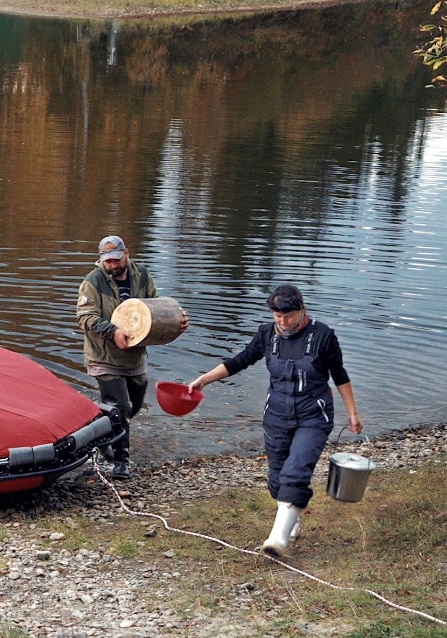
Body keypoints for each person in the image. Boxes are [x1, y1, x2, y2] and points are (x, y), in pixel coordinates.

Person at [188, 285, 363, 557]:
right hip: (277, 415)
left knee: (296, 472)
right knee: (277, 481)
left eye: (288, 316)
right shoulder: (267, 335)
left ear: (302, 310)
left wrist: (352, 413)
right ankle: (291, 515)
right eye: (277, 316)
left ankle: (276, 541)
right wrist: (203, 380)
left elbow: (339, 375)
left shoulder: (323, 336)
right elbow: (240, 361)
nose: (282, 322)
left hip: (313, 415)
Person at [75, 234, 184, 478]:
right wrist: (113, 332)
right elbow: (85, 317)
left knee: (133, 405)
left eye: (115, 259)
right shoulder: (92, 281)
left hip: (134, 358)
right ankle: (121, 461)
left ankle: (102, 433)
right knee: (121, 407)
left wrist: (175, 321)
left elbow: (155, 307)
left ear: (126, 253)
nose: (112, 265)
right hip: (102, 357)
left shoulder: (142, 275)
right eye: (107, 261)